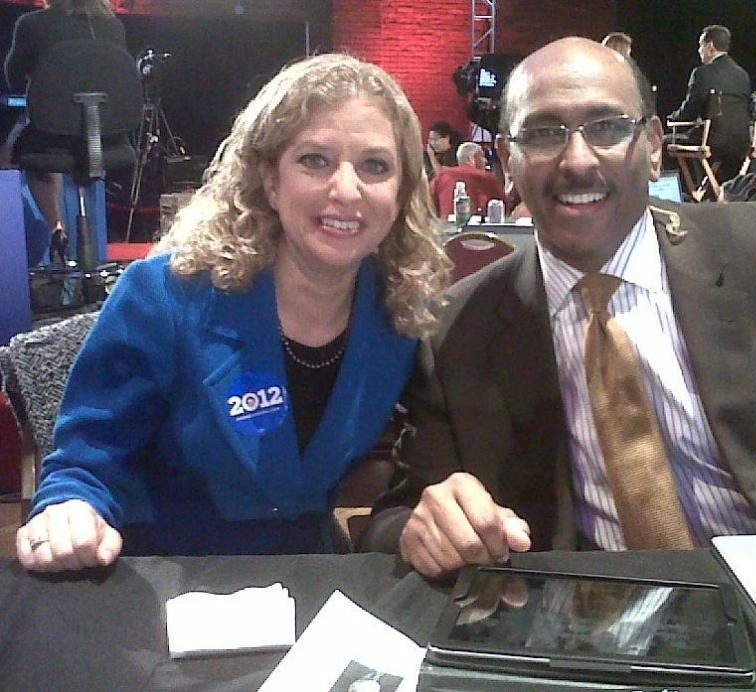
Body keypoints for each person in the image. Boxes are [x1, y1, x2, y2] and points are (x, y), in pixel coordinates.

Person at [361, 37, 756, 579]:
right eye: (545, 133)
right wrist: (424, 528)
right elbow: (398, 514)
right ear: (506, 161)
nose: (578, 161)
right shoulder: (453, 330)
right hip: (589, 629)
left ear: (655, 146)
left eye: (608, 127)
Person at [15, 52, 450, 572]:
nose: (345, 190)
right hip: (163, 582)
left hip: (306, 581)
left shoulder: (399, 312)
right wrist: (69, 510)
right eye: (315, 160)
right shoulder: (165, 293)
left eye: (375, 166)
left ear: (401, 192)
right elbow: (84, 465)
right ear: (270, 180)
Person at [4, 0, 127, 261]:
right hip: (106, 136)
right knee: (51, 135)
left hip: (53, 137)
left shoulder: (32, 24)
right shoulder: (114, 27)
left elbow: (13, 76)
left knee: (15, 149)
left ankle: (53, 228)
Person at [668, 25, 751, 184]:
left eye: (700, 45)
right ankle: (706, 190)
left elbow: (689, 112)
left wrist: (671, 120)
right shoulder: (743, 75)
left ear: (710, 46)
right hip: (741, 144)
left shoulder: (702, 73)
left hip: (713, 141)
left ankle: (685, 195)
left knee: (666, 144)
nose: (699, 50)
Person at [429, 141, 506, 218]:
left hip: (445, 226)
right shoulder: (484, 177)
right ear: (471, 158)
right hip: (476, 228)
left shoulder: (442, 176)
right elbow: (505, 205)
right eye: (482, 156)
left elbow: (428, 202)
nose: (485, 161)